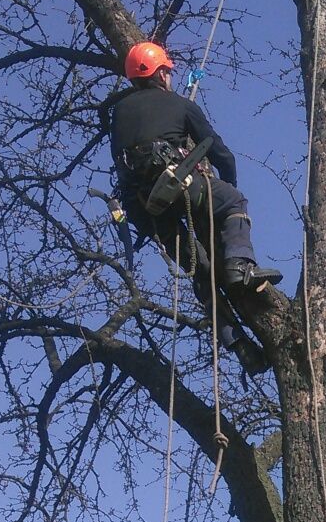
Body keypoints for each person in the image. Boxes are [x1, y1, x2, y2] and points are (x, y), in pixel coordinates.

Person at [103, 42, 279, 376]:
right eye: (167, 71)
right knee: (233, 202)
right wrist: (226, 185)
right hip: (178, 183)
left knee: (199, 270)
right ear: (160, 73)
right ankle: (239, 266)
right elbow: (220, 153)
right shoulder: (179, 104)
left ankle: (239, 345)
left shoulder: (119, 114)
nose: (170, 76)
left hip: (144, 208)